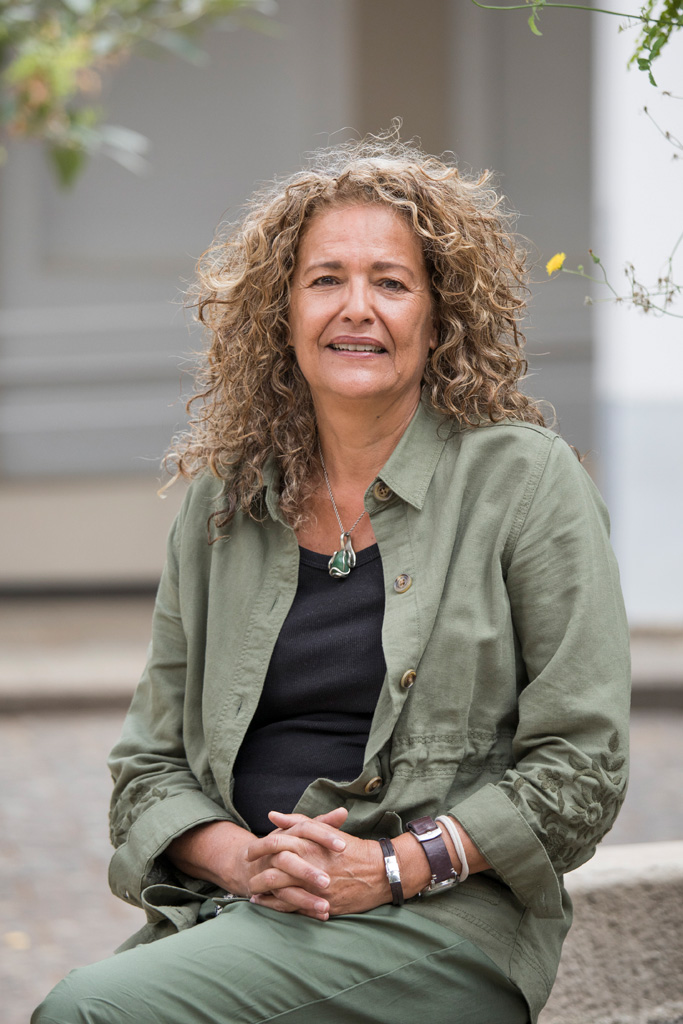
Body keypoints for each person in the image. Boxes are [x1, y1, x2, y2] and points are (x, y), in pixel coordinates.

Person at [33, 134, 631, 1024]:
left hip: (440, 924)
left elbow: (582, 764)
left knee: (88, 1014)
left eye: (390, 283)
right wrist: (247, 863)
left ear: (439, 314)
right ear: (281, 312)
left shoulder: (524, 481)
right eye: (325, 280)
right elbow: (148, 766)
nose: (357, 308)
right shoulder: (225, 501)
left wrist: (388, 866)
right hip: (243, 911)